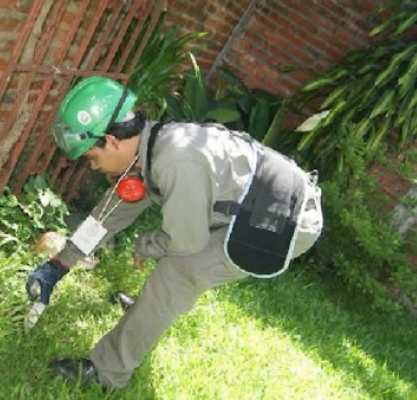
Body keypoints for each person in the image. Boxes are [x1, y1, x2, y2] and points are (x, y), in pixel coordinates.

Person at [25, 76, 323, 389]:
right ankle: (146, 314)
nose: (94, 167)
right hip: (250, 202)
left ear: (112, 141)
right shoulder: (149, 147)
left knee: (178, 271)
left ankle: (107, 373)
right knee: (175, 263)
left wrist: (147, 244)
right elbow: (110, 213)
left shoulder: (175, 160)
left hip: (281, 219)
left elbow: (187, 241)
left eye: (91, 157)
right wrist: (59, 264)